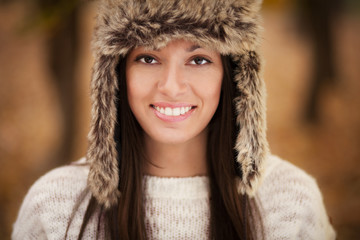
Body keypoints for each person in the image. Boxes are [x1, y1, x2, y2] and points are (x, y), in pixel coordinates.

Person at [12, 0, 336, 239]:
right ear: (117, 75)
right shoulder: (54, 206)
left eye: (198, 59)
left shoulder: (290, 202)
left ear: (232, 76)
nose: (171, 86)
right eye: (149, 58)